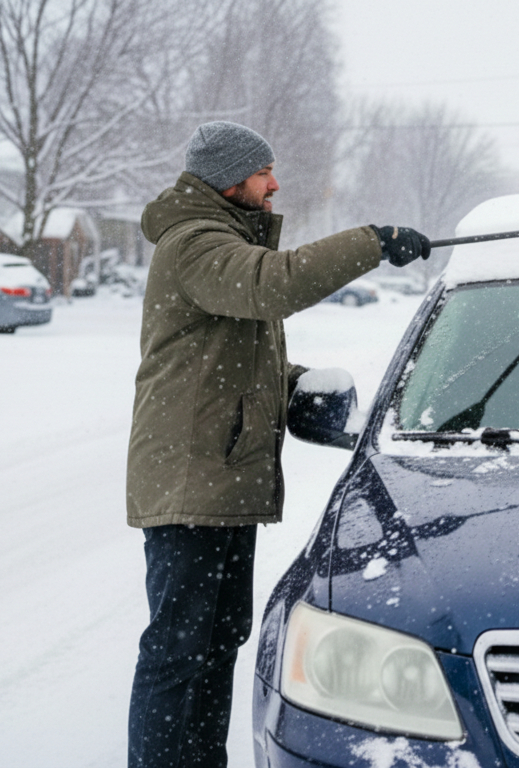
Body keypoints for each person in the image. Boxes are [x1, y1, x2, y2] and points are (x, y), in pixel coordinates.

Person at [125, 121, 430, 768]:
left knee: (217, 640)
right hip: (190, 482)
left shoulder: (219, 240)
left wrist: (300, 387)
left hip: (221, 479)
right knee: (179, 649)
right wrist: (371, 242)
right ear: (231, 179)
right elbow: (276, 283)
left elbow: (230, 361)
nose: (276, 183)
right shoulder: (196, 243)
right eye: (265, 172)